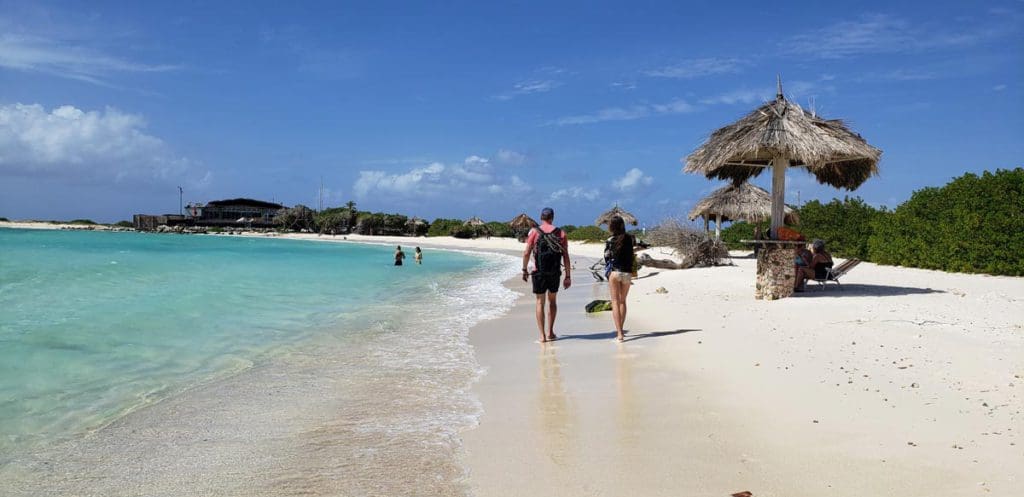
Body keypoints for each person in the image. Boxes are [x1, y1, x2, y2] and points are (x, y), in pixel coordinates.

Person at [522, 207, 571, 343]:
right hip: (554, 272)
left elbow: (526, 253)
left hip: (538, 272)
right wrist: (568, 276)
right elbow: (566, 256)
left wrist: (524, 270)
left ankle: (542, 336)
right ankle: (550, 332)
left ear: (541, 217)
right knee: (553, 301)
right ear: (552, 217)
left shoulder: (534, 232)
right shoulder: (561, 233)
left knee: (539, 302)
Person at [604, 216, 635, 342]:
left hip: (615, 273)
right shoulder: (630, 238)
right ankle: (621, 328)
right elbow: (641, 245)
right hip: (627, 273)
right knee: (623, 301)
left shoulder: (610, 240)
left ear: (612, 227)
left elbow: (606, 257)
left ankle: (619, 334)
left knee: (615, 302)